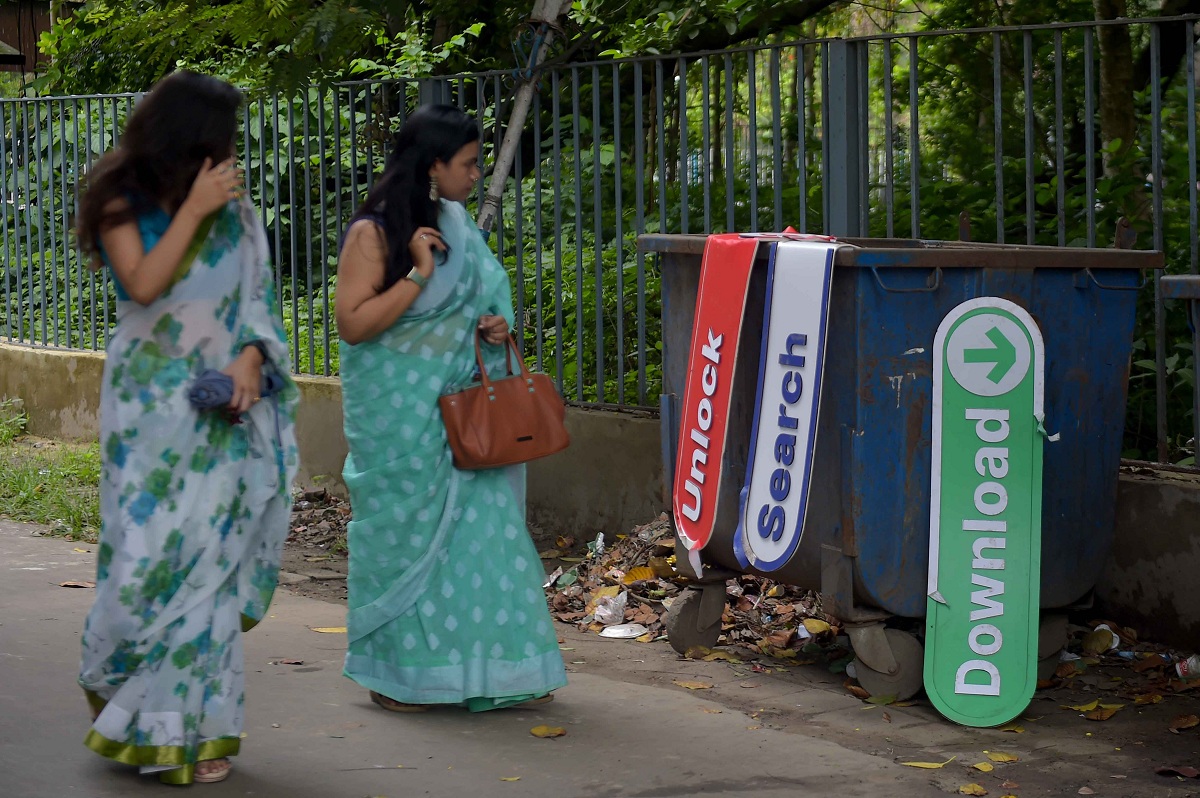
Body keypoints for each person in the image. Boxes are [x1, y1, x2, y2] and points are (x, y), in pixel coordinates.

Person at [75, 71, 299, 785]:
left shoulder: (237, 213)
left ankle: (198, 731)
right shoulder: (120, 199)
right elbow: (144, 285)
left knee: (208, 564)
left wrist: (252, 356)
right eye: (222, 139)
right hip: (147, 416)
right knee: (144, 567)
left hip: (221, 411)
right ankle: (121, 685)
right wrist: (194, 210)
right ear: (188, 139)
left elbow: (256, 300)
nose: (230, 153)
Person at [335, 104, 567, 712]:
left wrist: (495, 326)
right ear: (434, 165)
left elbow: (489, 296)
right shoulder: (372, 233)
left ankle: (493, 670)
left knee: (487, 540)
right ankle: (404, 676)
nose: (476, 172)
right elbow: (354, 326)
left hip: (465, 416)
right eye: (467, 162)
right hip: (402, 425)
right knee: (407, 547)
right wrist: (417, 273)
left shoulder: (459, 224)